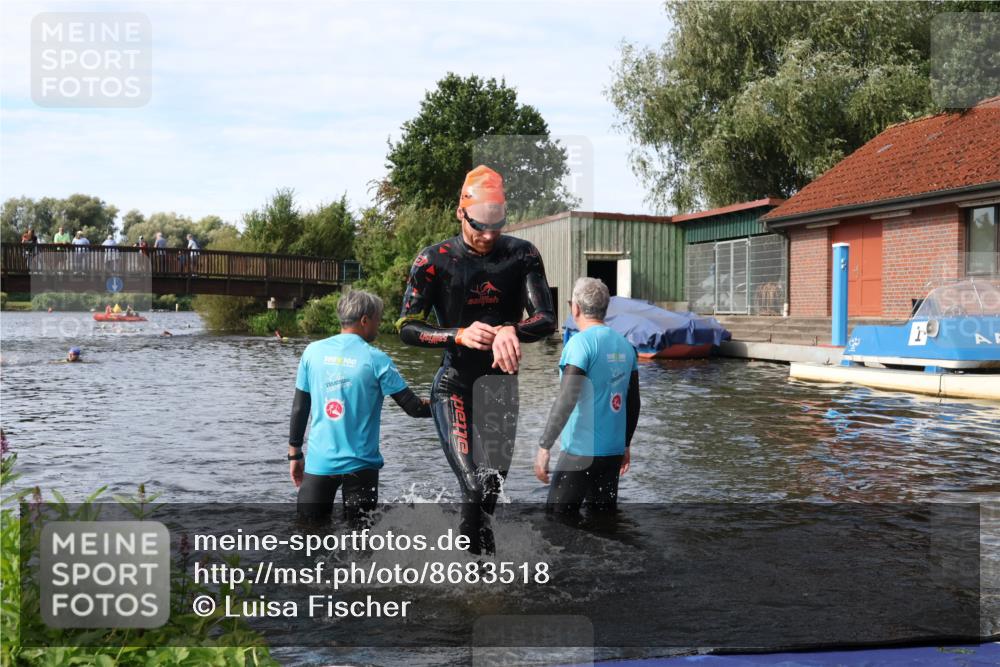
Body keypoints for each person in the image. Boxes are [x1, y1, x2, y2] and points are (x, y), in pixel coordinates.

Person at [397, 165, 556, 554]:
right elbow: (406, 326)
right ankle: (473, 576)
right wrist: (458, 334)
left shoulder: (522, 255)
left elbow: (547, 319)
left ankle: (481, 570)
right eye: (478, 227)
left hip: (500, 387)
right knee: (475, 484)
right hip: (454, 385)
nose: (487, 236)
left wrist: (510, 329)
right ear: (460, 212)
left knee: (491, 492)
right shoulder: (434, 260)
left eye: (495, 227)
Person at [288, 290, 432, 526]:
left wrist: (294, 454)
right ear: (365, 320)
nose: (379, 324)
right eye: (378, 318)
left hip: (319, 464)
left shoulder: (312, 352)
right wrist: (451, 403)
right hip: (361, 467)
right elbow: (415, 408)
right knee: (360, 544)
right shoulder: (377, 359)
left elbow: (300, 407)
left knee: (308, 539)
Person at [534, 278, 640, 515]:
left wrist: (545, 446)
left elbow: (567, 398)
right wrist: (625, 445)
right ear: (606, 308)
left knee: (557, 522)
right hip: (612, 453)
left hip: (579, 452)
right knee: (603, 522)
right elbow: (633, 403)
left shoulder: (579, 344)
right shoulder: (625, 346)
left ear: (575, 308)